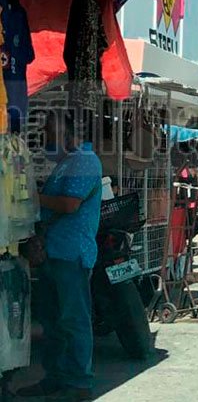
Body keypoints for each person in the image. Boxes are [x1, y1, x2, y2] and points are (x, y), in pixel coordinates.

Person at [19, 111, 102, 400]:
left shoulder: (84, 160)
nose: (46, 137)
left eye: (50, 132)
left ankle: (78, 383)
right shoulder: (67, 162)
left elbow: (69, 204)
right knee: (52, 320)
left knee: (73, 319)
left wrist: (32, 195)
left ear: (68, 132)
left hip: (71, 254)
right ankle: (55, 377)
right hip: (53, 253)